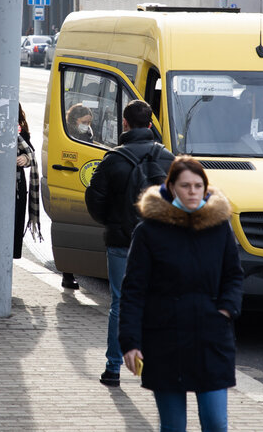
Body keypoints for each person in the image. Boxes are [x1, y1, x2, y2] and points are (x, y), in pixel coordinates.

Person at [119, 156, 243, 432]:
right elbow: (133, 291)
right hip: (165, 339)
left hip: (210, 336)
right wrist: (130, 342)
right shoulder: (149, 231)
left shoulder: (219, 226)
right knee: (173, 426)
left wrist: (225, 310)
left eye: (198, 185)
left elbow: (234, 275)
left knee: (216, 423)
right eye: (185, 185)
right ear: (172, 187)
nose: (192, 191)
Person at [85, 100, 175, 388]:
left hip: (121, 240)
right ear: (150, 125)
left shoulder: (113, 159)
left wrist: (113, 221)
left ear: (125, 124)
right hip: (159, 244)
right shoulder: (168, 158)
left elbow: (94, 199)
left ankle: (113, 369)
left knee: (120, 304)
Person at [14, 104, 44, 260]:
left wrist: (25, 159)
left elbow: (30, 152)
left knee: (14, 229)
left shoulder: (21, 130)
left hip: (17, 187)